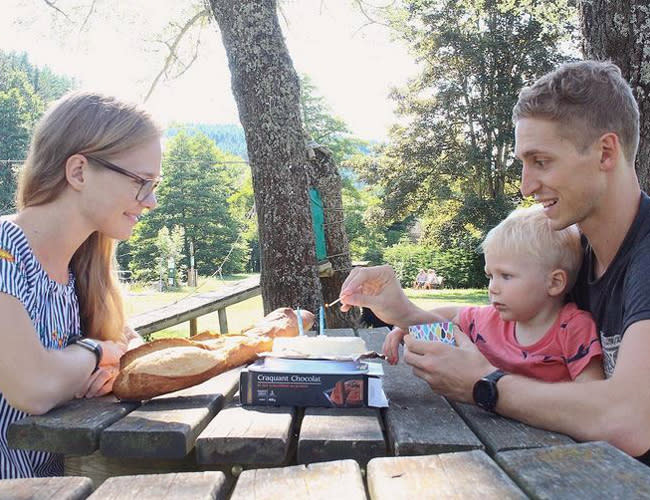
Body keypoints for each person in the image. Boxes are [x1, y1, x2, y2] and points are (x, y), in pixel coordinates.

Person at [339, 60, 650, 461]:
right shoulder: (577, 255)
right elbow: (496, 327)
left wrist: (484, 385)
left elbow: (630, 420)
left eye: (541, 161)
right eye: (523, 163)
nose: (525, 186)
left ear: (606, 152)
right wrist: (402, 311)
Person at [0, 91, 161, 478]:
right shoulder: (5, 250)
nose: (151, 201)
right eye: (141, 182)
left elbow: (131, 351)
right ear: (78, 172)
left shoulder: (83, 270)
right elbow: (34, 385)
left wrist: (112, 366)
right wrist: (95, 352)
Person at [383, 205, 604, 385]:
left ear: (554, 282)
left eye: (506, 276)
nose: (493, 288)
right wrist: (405, 325)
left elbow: (592, 394)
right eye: (490, 276)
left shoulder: (574, 328)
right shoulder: (491, 320)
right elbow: (450, 316)